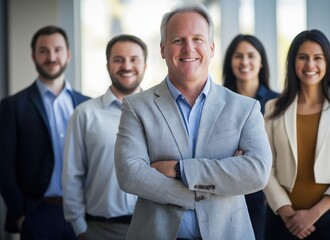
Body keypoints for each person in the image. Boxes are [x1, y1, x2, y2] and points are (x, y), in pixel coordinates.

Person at [114, 2, 272, 240]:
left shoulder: (245, 108)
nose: (189, 48)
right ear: (163, 49)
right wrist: (211, 188)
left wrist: (180, 169)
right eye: (178, 40)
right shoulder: (136, 107)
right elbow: (130, 174)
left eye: (197, 39)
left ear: (211, 47)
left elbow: (257, 172)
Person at [263, 29, 330, 240]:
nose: (310, 65)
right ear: (293, 62)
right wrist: (286, 212)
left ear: (328, 63)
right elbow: (265, 165)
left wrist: (314, 213)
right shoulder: (273, 108)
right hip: (283, 218)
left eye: (318, 58)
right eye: (303, 57)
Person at [0, 25, 90, 239]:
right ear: (33, 56)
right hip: (38, 214)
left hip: (85, 213)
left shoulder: (88, 105)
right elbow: (4, 166)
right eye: (44, 51)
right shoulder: (12, 106)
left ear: (67, 54)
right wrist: (21, 215)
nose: (51, 57)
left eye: (57, 50)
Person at [62, 34, 147, 240]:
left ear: (145, 65)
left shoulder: (160, 114)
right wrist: (80, 228)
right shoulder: (84, 114)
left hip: (151, 228)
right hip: (100, 230)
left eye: (134, 59)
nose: (126, 66)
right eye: (118, 59)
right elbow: (72, 175)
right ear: (108, 64)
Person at [223, 34, 279, 240]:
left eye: (250, 56)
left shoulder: (279, 102)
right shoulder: (218, 101)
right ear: (230, 62)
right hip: (224, 191)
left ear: (261, 61)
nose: (244, 62)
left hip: (266, 197)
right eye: (238, 56)